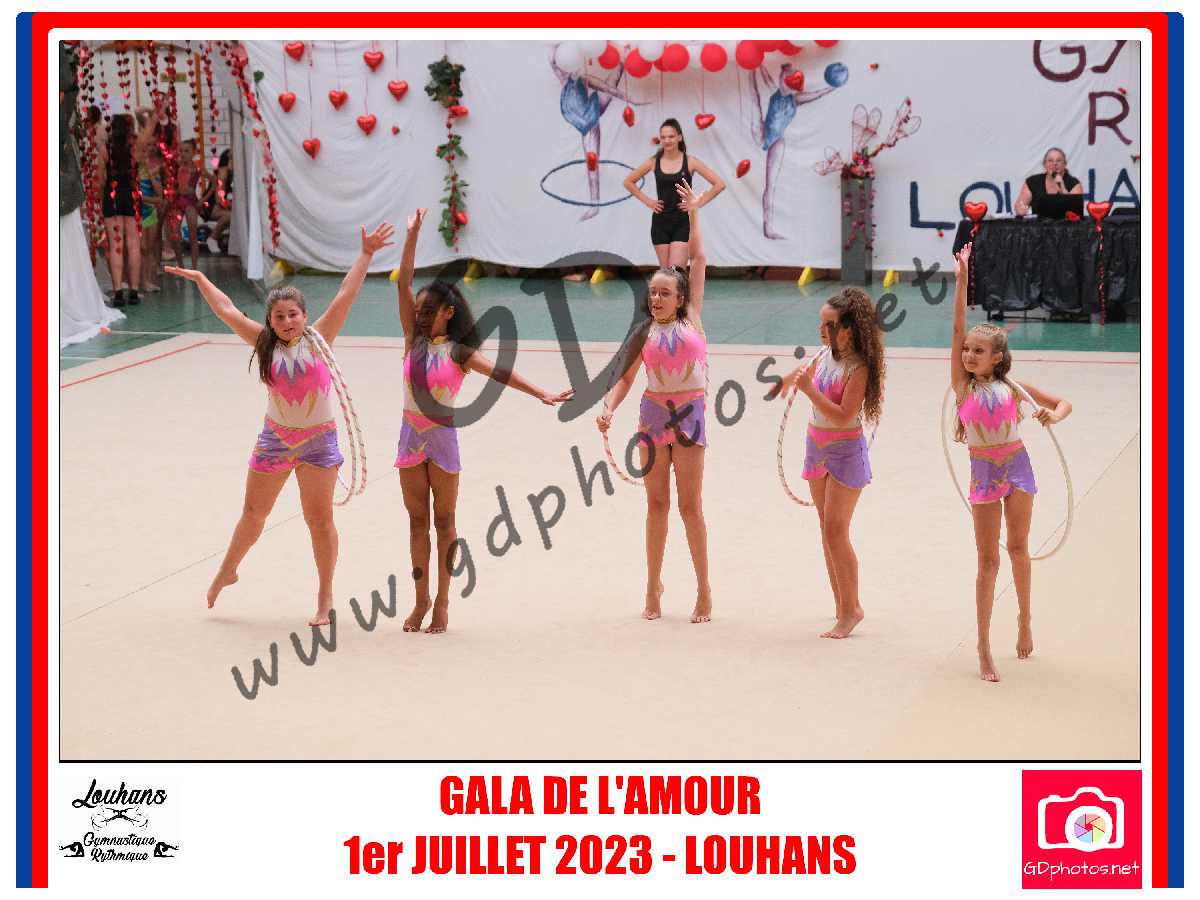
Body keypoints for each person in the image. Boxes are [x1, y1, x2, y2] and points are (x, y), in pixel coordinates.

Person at [164, 222, 396, 626]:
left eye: (293, 314)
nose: (287, 321)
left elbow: (346, 294)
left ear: (305, 316)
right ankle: (228, 569)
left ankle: (325, 596)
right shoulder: (263, 344)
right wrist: (202, 278)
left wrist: (366, 254)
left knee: (319, 520)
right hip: (276, 440)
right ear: (270, 322)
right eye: (279, 316)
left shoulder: (320, 339)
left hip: (318, 443)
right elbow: (226, 310)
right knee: (253, 513)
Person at [395, 209, 573, 634]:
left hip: (441, 438)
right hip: (409, 435)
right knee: (417, 523)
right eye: (418, 310)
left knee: (444, 522)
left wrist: (541, 392)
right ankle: (420, 601)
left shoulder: (459, 352)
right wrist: (412, 237)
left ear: (449, 312)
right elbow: (403, 282)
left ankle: (442, 603)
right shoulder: (413, 339)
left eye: (429, 311)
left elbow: (501, 373)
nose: (421, 316)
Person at [950, 243, 1073, 681]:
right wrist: (963, 278)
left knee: (1019, 548)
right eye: (967, 350)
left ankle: (1024, 619)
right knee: (988, 560)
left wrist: (1052, 416)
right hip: (984, 472)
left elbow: (1063, 403)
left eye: (978, 351)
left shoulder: (1015, 389)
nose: (969, 355)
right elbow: (957, 326)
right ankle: (983, 646)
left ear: (998, 358)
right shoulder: (963, 387)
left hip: (1018, 467)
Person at [596, 182, 712, 623]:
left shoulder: (693, 317)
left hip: (690, 416)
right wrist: (609, 408)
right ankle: (652, 585)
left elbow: (698, 260)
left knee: (690, 507)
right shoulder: (643, 331)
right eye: (653, 293)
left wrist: (694, 213)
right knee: (656, 505)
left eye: (665, 293)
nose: (657, 298)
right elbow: (626, 377)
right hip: (653, 416)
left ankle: (703, 588)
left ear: (680, 298)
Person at [767, 288, 885, 639]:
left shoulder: (859, 367)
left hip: (845, 451)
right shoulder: (825, 355)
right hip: (816, 446)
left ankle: (852, 609)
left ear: (849, 329)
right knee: (825, 527)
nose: (822, 330)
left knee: (836, 530)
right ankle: (841, 603)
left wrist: (807, 390)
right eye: (821, 323)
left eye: (830, 325)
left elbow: (844, 414)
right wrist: (785, 382)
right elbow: (803, 373)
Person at [749, 61, 846, 239]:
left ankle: (768, 228)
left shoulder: (795, 100)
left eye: (786, 79)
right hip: (762, 133)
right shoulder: (775, 91)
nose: (783, 82)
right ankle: (750, 72)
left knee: (770, 185)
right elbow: (767, 78)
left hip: (777, 140)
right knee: (755, 99)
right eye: (782, 78)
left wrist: (832, 87)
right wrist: (758, 64)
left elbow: (816, 94)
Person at [622, 119, 725, 267]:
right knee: (666, 273)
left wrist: (697, 203)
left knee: (675, 273)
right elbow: (628, 182)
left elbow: (719, 184)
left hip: (682, 222)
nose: (667, 140)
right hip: (660, 223)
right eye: (663, 137)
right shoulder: (653, 162)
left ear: (679, 137)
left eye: (671, 136)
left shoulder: (690, 162)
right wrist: (648, 202)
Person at [96, 113, 143, 307]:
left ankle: (118, 292)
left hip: (112, 195)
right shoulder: (135, 148)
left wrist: (101, 198)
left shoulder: (105, 149)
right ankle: (134, 291)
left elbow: (100, 179)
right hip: (131, 195)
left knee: (116, 245)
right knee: (133, 244)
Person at [1013, 147, 1083, 217]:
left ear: (1064, 164)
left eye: (1058, 160)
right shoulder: (1032, 181)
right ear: (1044, 164)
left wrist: (1062, 188)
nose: (1054, 163)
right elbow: (1019, 205)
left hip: (1065, 223)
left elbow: (1075, 212)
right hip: (1037, 223)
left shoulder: (1074, 183)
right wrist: (1021, 209)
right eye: (1050, 161)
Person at [172, 139, 209, 268]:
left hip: (190, 202)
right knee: (174, 235)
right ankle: (181, 266)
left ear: (194, 152)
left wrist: (202, 200)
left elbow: (215, 182)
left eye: (187, 151)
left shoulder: (197, 167)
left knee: (193, 237)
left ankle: (194, 268)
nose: (183, 153)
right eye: (181, 151)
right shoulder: (176, 165)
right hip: (177, 201)